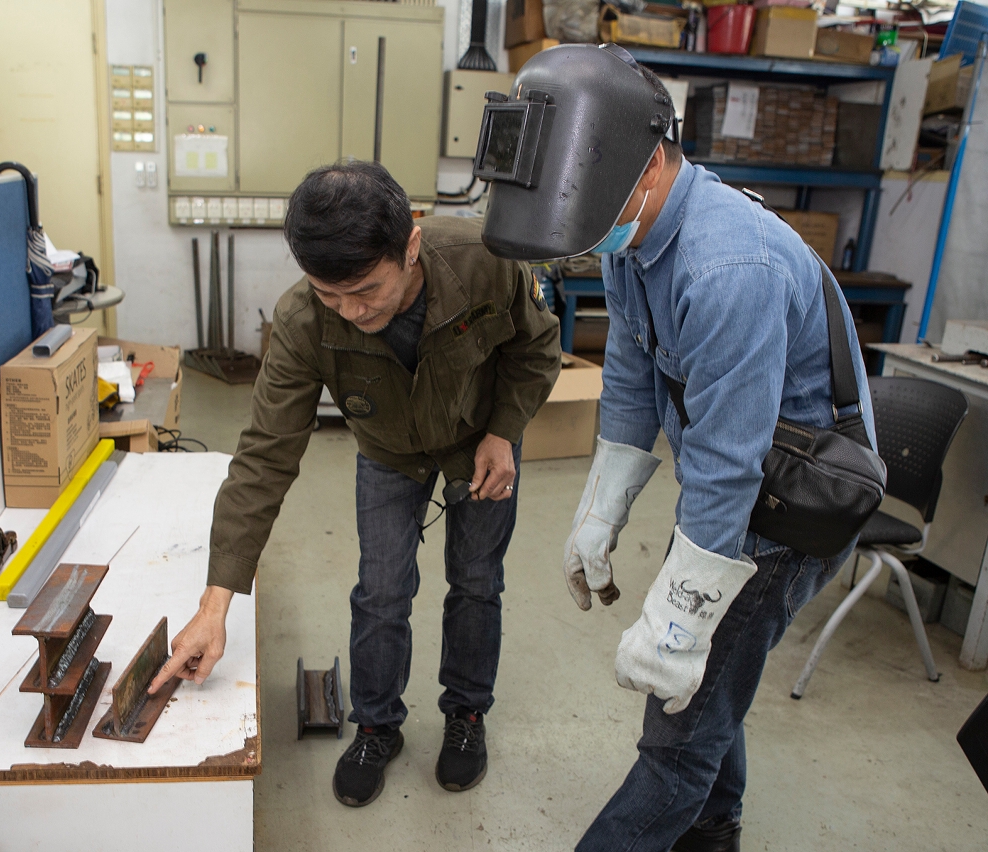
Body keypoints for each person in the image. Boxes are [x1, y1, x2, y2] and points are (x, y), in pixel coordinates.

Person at [474, 45, 875, 852]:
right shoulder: (635, 233)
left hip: (792, 503)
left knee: (677, 736)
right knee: (712, 686)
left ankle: (698, 812)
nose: (592, 241)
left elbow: (728, 466)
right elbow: (631, 373)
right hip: (737, 480)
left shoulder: (728, 266)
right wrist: (603, 509)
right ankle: (715, 829)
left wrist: (683, 618)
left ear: (650, 164)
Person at [147, 161, 562, 807]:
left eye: (366, 290)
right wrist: (215, 604)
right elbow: (263, 460)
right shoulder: (302, 321)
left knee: (478, 582)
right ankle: (376, 725)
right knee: (382, 592)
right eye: (330, 294)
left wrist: (505, 431)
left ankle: (466, 713)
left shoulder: (484, 261)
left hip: (479, 441)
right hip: (388, 451)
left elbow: (535, 349)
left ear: (411, 245)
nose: (351, 311)